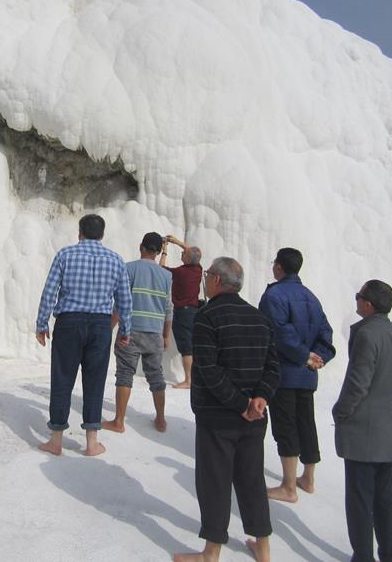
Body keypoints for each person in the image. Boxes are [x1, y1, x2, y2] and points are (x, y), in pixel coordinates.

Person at [174, 257, 280, 562]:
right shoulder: (259, 317)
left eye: (207, 275)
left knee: (214, 481)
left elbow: (207, 369)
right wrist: (260, 398)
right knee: (251, 479)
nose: (205, 279)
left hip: (218, 416)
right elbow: (273, 366)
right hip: (255, 417)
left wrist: (241, 404)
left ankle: (211, 552)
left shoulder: (207, 316)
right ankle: (262, 546)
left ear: (217, 281)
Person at [35, 214, 132, 457]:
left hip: (68, 323)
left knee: (62, 379)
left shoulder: (65, 255)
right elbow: (124, 301)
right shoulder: (115, 260)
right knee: (95, 380)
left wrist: (41, 323)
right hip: (100, 325)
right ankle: (91, 442)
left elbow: (50, 291)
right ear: (102, 234)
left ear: (79, 232)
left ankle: (56, 440)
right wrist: (125, 329)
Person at [333, 280, 392, 562]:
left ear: (368, 304)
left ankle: (363, 557)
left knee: (359, 501)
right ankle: (390, 556)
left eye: (359, 296)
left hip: (361, 432)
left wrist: (340, 411)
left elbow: (357, 385)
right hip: (388, 431)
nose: (356, 301)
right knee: (384, 502)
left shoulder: (367, 335)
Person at [258, 247, 335, 502]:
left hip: (284, 372)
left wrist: (303, 355)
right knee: (306, 422)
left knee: (286, 425)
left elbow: (279, 333)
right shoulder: (312, 298)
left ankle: (289, 486)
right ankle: (308, 478)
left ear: (279, 267)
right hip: (308, 375)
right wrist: (318, 357)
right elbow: (326, 333)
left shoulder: (275, 295)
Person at [102, 232, 172, 434]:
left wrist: (109, 327)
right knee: (156, 376)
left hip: (130, 331)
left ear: (141, 247)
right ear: (159, 252)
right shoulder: (167, 275)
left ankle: (119, 422)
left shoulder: (129, 268)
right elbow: (169, 308)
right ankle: (160, 420)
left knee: (125, 374)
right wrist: (166, 335)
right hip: (155, 332)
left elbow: (121, 303)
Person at [159, 235, 203, 388]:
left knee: (186, 347)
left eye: (183, 254)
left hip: (182, 313)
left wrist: (165, 250)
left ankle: (188, 380)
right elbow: (193, 253)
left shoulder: (180, 272)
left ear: (187, 259)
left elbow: (161, 269)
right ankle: (194, 378)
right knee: (192, 345)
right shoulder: (198, 269)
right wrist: (176, 241)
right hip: (194, 312)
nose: (181, 254)